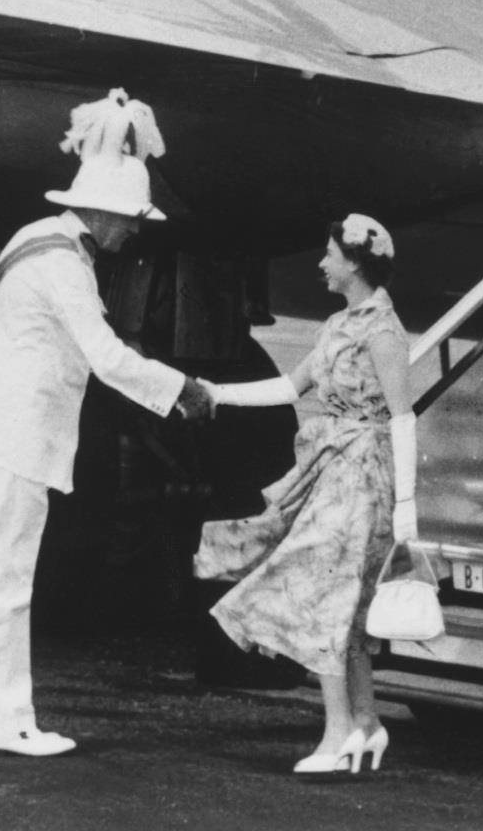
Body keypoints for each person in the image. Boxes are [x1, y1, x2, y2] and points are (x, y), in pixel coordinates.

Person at [0, 89, 212, 758]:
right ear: (103, 212)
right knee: (4, 582)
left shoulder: (37, 240)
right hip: (11, 434)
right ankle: (5, 724)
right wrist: (181, 389)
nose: (134, 232)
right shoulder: (64, 264)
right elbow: (106, 357)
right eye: (131, 219)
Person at [193, 213, 418, 777]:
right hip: (331, 467)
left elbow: (403, 417)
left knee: (324, 595)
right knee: (341, 601)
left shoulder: (383, 331)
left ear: (354, 264)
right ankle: (364, 723)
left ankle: (340, 731)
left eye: (330, 255)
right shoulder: (337, 325)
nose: (321, 263)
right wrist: (218, 393)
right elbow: (290, 387)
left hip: (365, 475)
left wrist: (408, 505)